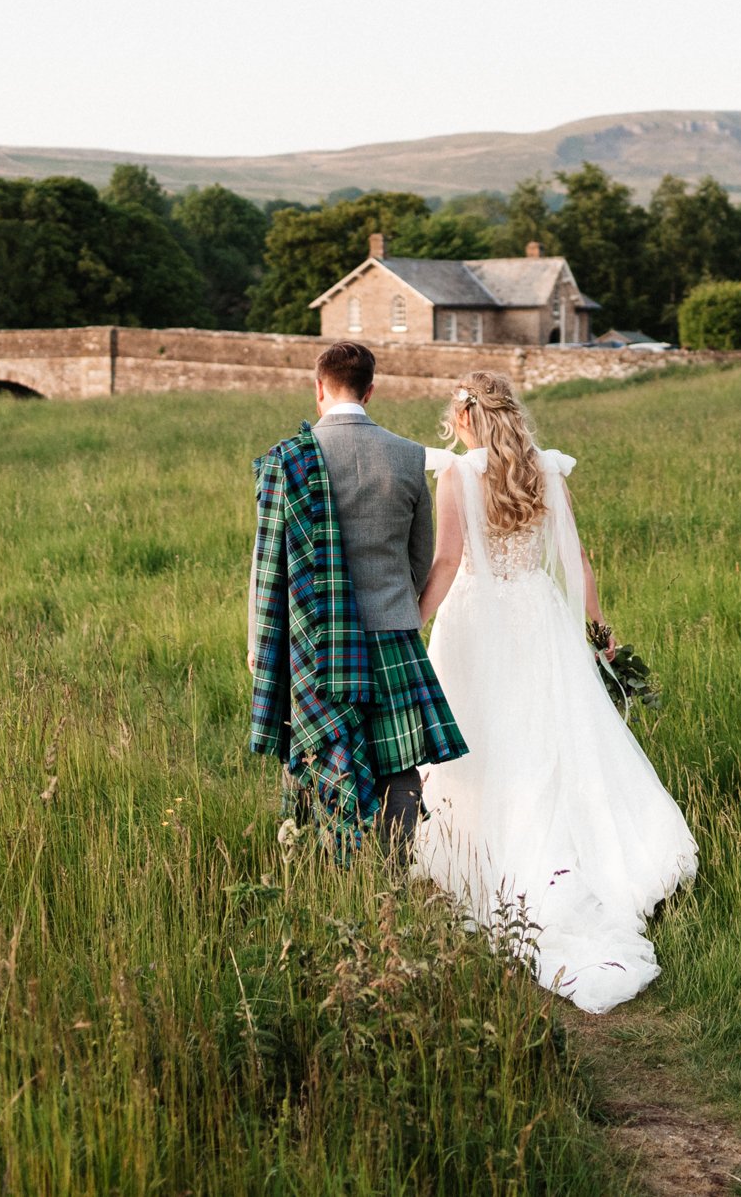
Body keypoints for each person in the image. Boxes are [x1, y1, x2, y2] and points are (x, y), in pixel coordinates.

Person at [413, 370, 697, 1012]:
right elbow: (578, 558)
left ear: (464, 417)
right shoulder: (547, 469)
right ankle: (574, 853)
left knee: (481, 734)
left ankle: (485, 848)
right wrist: (599, 629)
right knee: (547, 733)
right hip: (538, 615)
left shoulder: (458, 475)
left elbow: (450, 561)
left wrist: (415, 620)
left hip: (477, 619)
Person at [246, 341, 467, 853]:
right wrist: (398, 609)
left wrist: (261, 644)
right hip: (392, 631)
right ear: (370, 390)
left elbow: (268, 566)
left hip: (313, 637)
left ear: (318, 387)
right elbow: (420, 558)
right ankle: (395, 871)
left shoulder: (287, 460)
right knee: (396, 758)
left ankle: (320, 863)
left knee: (313, 745)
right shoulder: (409, 456)